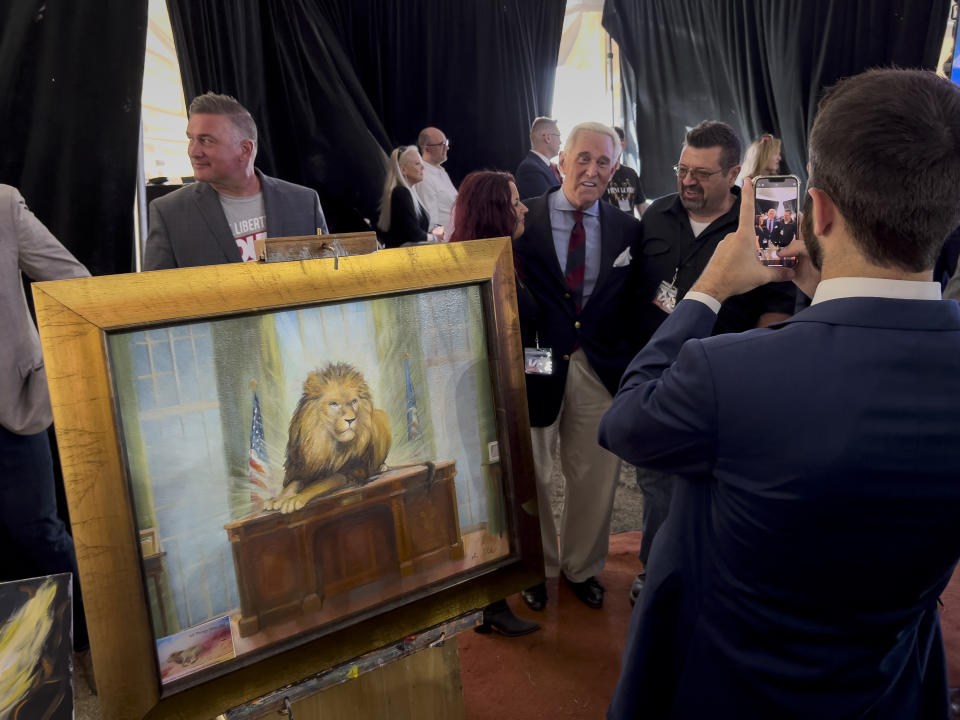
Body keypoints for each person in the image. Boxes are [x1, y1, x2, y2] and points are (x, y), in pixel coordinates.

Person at [601, 68, 960, 719]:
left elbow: (627, 420)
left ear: (816, 209)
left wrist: (710, 284)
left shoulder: (729, 374)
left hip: (732, 693)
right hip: (890, 689)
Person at [628, 121, 796, 605]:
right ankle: (654, 572)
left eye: (702, 173)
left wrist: (760, 376)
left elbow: (780, 305)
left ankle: (721, 579)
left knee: (722, 486)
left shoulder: (763, 223)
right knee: (658, 485)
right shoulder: (655, 216)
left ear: (733, 174)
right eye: (683, 169)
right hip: (664, 382)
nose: (687, 181)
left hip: (730, 386)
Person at [513, 122, 642, 612]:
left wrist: (626, 361)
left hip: (599, 367)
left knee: (596, 473)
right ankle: (537, 567)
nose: (592, 170)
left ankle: (581, 568)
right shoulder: (526, 219)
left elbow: (633, 301)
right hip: (538, 365)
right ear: (561, 161)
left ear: (614, 169)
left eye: (603, 162)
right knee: (535, 473)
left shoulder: (628, 228)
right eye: (583, 158)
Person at [445, 170, 539, 637]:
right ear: (494, 211)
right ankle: (489, 604)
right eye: (516, 202)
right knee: (489, 495)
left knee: (500, 494)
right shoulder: (471, 265)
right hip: (478, 398)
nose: (524, 209)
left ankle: (492, 602)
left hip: (495, 394)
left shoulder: (497, 257)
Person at [0, 185, 90, 653]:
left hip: (10, 404)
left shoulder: (2, 205)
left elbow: (72, 281)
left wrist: (57, 367)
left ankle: (98, 645)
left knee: (38, 531)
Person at [144, 92, 328, 270]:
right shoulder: (169, 212)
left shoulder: (303, 202)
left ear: (245, 149)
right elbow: (156, 294)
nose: (194, 151)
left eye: (206, 141)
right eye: (191, 139)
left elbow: (326, 278)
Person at [376, 145, 436, 248]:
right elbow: (414, 234)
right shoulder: (401, 193)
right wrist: (435, 237)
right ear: (403, 170)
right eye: (417, 163)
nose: (423, 167)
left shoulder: (407, 193)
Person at [417, 127, 458, 232]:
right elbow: (432, 224)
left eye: (446, 143)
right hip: (446, 243)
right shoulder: (424, 177)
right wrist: (442, 246)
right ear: (426, 149)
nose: (447, 148)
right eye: (442, 144)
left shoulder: (441, 172)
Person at [602, 126, 649, 216]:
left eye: (612, 142)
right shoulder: (600, 173)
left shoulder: (631, 174)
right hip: (607, 227)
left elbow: (641, 206)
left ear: (622, 145)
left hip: (629, 227)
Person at [515, 117, 562, 200]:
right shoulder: (530, 168)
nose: (560, 142)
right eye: (558, 136)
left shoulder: (550, 167)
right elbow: (550, 205)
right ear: (548, 138)